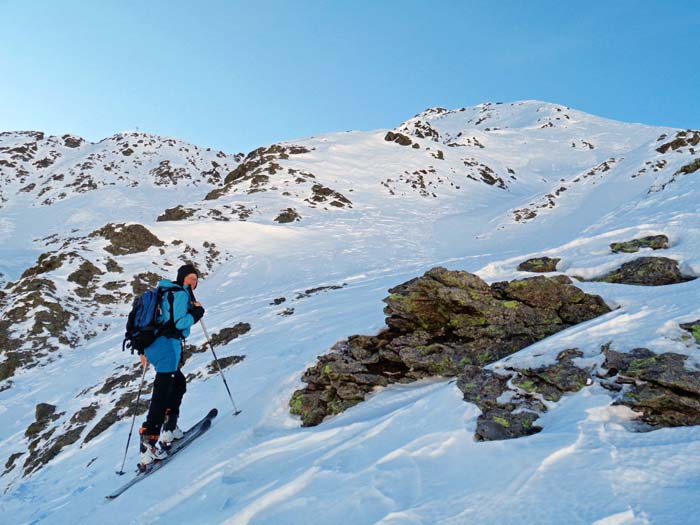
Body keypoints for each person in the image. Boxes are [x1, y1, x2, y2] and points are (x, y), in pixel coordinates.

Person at [138, 264, 205, 467]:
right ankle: (149, 444)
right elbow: (179, 323)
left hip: (156, 344)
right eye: (190, 278)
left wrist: (143, 351)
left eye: (195, 279)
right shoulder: (180, 295)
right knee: (162, 392)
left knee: (178, 384)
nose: (193, 282)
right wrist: (197, 313)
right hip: (167, 346)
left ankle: (169, 428)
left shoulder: (166, 291)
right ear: (182, 278)